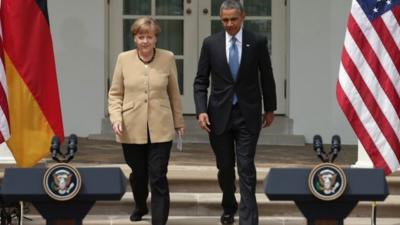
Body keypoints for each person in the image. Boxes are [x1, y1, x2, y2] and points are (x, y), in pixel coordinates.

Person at [193, 1, 276, 224]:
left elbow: (266, 75)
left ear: (243, 17)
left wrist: (270, 108)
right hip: (218, 115)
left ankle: (248, 219)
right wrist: (201, 110)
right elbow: (200, 81)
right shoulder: (210, 44)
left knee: (246, 166)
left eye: (233, 19)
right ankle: (229, 204)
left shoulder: (257, 42)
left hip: (247, 113)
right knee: (226, 167)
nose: (229, 24)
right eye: (225, 20)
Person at [108, 17, 184, 225]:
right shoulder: (123, 59)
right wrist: (116, 118)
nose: (145, 41)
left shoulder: (167, 58)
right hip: (131, 127)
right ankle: (141, 204)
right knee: (139, 174)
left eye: (149, 37)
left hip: (161, 126)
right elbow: (115, 94)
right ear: (134, 38)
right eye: (140, 37)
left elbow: (174, 93)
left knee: (158, 175)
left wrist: (178, 123)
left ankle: (159, 221)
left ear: (155, 39)